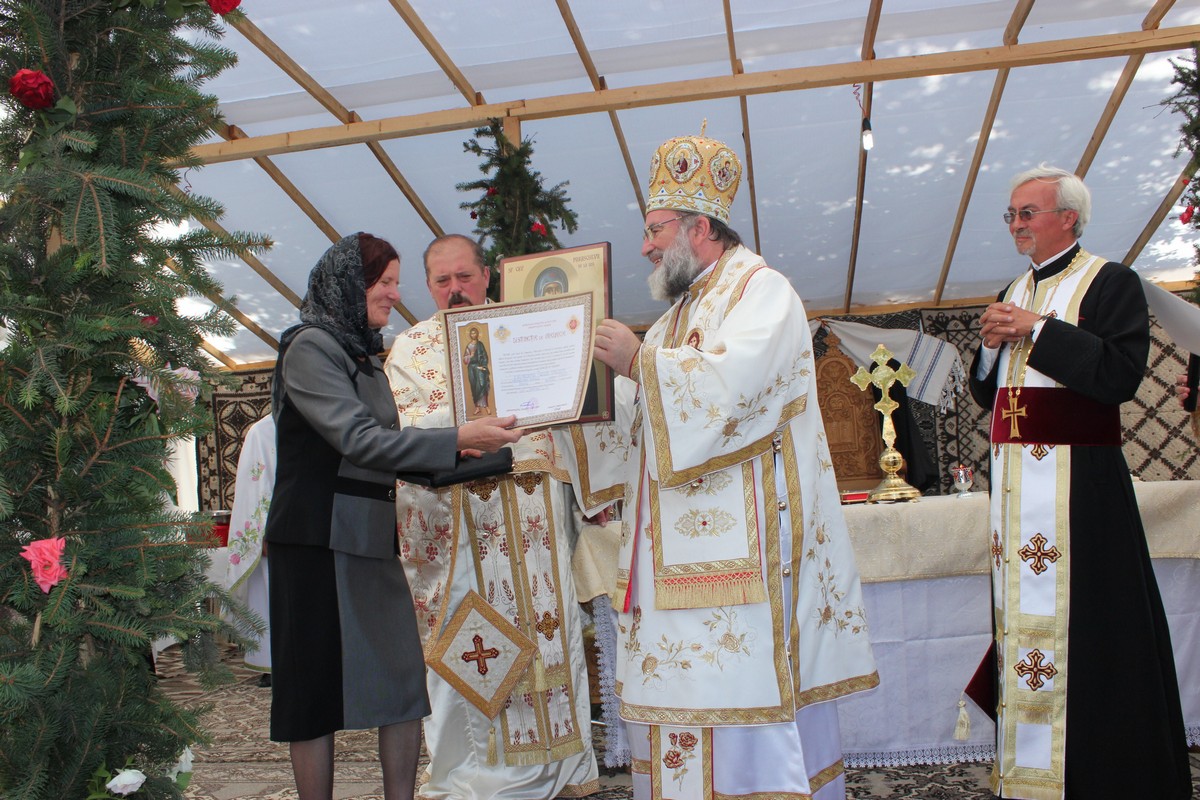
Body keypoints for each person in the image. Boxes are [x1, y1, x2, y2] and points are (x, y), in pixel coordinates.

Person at [590, 131, 878, 800]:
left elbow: (736, 389)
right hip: (671, 573)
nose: (645, 247)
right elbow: (642, 427)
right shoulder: (671, 319)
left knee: (742, 701)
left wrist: (639, 364)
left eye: (655, 230)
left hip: (743, 575)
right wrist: (586, 403)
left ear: (698, 228)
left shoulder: (761, 291)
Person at [263, 232, 522, 800]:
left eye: (395, 282)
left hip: (368, 536)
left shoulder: (364, 356)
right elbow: (359, 440)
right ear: (348, 287)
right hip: (314, 542)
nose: (392, 294)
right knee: (314, 693)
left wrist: (477, 455)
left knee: (402, 681)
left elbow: (397, 445)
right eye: (382, 283)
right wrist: (455, 436)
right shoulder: (308, 347)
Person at [969, 165, 1190, 800]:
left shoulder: (1112, 281)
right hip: (1017, 500)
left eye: (1027, 213)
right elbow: (994, 398)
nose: (1016, 225)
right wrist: (988, 349)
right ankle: (1027, 771)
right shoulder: (1015, 286)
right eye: (1010, 215)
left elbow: (1119, 376)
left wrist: (1035, 330)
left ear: (1068, 217)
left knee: (1096, 633)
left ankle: (1101, 772)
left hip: (1080, 493)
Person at [382, 233, 600, 800]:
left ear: (487, 276)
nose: (455, 290)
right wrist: (466, 429)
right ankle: (477, 773)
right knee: (475, 648)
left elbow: (568, 419)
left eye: (465, 277)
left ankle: (561, 766)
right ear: (428, 287)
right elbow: (404, 432)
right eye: (441, 280)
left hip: (533, 533)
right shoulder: (411, 349)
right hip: (462, 534)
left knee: (548, 640)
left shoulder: (524, 331)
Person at [225, 413, 276, 685]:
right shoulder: (263, 431)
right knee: (270, 594)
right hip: (276, 531)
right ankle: (272, 663)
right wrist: (261, 534)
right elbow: (253, 489)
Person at [462, 326, 490, 416]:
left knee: (482, 385)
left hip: (479, 367)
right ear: (470, 335)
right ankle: (477, 407)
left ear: (477, 334)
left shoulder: (480, 344)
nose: (473, 334)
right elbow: (465, 360)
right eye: (472, 333)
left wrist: (483, 366)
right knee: (474, 387)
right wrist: (470, 356)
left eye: (475, 333)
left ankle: (486, 406)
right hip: (471, 368)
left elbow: (485, 356)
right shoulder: (469, 346)